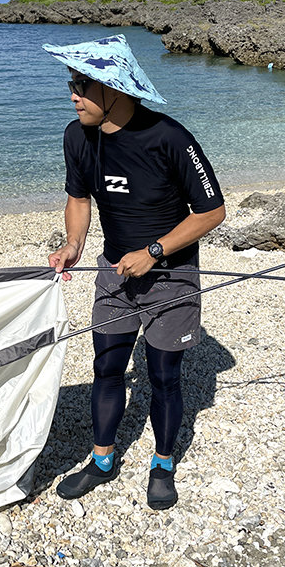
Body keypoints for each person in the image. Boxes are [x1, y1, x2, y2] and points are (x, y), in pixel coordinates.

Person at [45, 34, 225, 510]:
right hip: (113, 272)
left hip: (171, 275)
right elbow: (79, 198)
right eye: (72, 83)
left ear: (116, 89)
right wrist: (74, 243)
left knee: (163, 376)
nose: (73, 95)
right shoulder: (75, 136)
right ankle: (102, 461)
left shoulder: (169, 137)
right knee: (106, 367)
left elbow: (211, 212)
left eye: (83, 85)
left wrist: (155, 250)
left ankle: (162, 465)